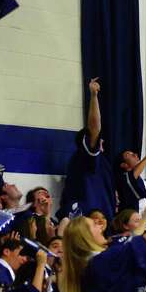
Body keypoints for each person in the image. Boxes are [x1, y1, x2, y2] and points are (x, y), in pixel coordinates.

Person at [59, 78, 115, 219]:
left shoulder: (100, 163)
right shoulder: (86, 158)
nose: (101, 142)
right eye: (98, 140)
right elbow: (94, 127)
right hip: (87, 219)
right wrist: (94, 96)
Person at [116, 141, 146, 212]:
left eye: (133, 153)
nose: (135, 155)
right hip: (134, 220)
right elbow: (133, 175)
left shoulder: (145, 182)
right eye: (129, 155)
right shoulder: (123, 179)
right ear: (124, 165)